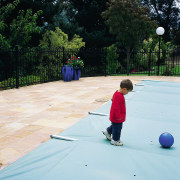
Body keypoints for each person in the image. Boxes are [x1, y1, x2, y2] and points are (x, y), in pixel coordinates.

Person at [102, 79, 133, 146]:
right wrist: (118, 117)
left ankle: (107, 131)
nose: (127, 93)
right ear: (124, 89)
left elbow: (113, 99)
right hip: (117, 117)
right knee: (118, 128)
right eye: (127, 91)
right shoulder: (120, 96)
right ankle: (115, 140)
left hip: (115, 116)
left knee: (114, 126)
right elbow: (116, 107)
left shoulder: (116, 93)